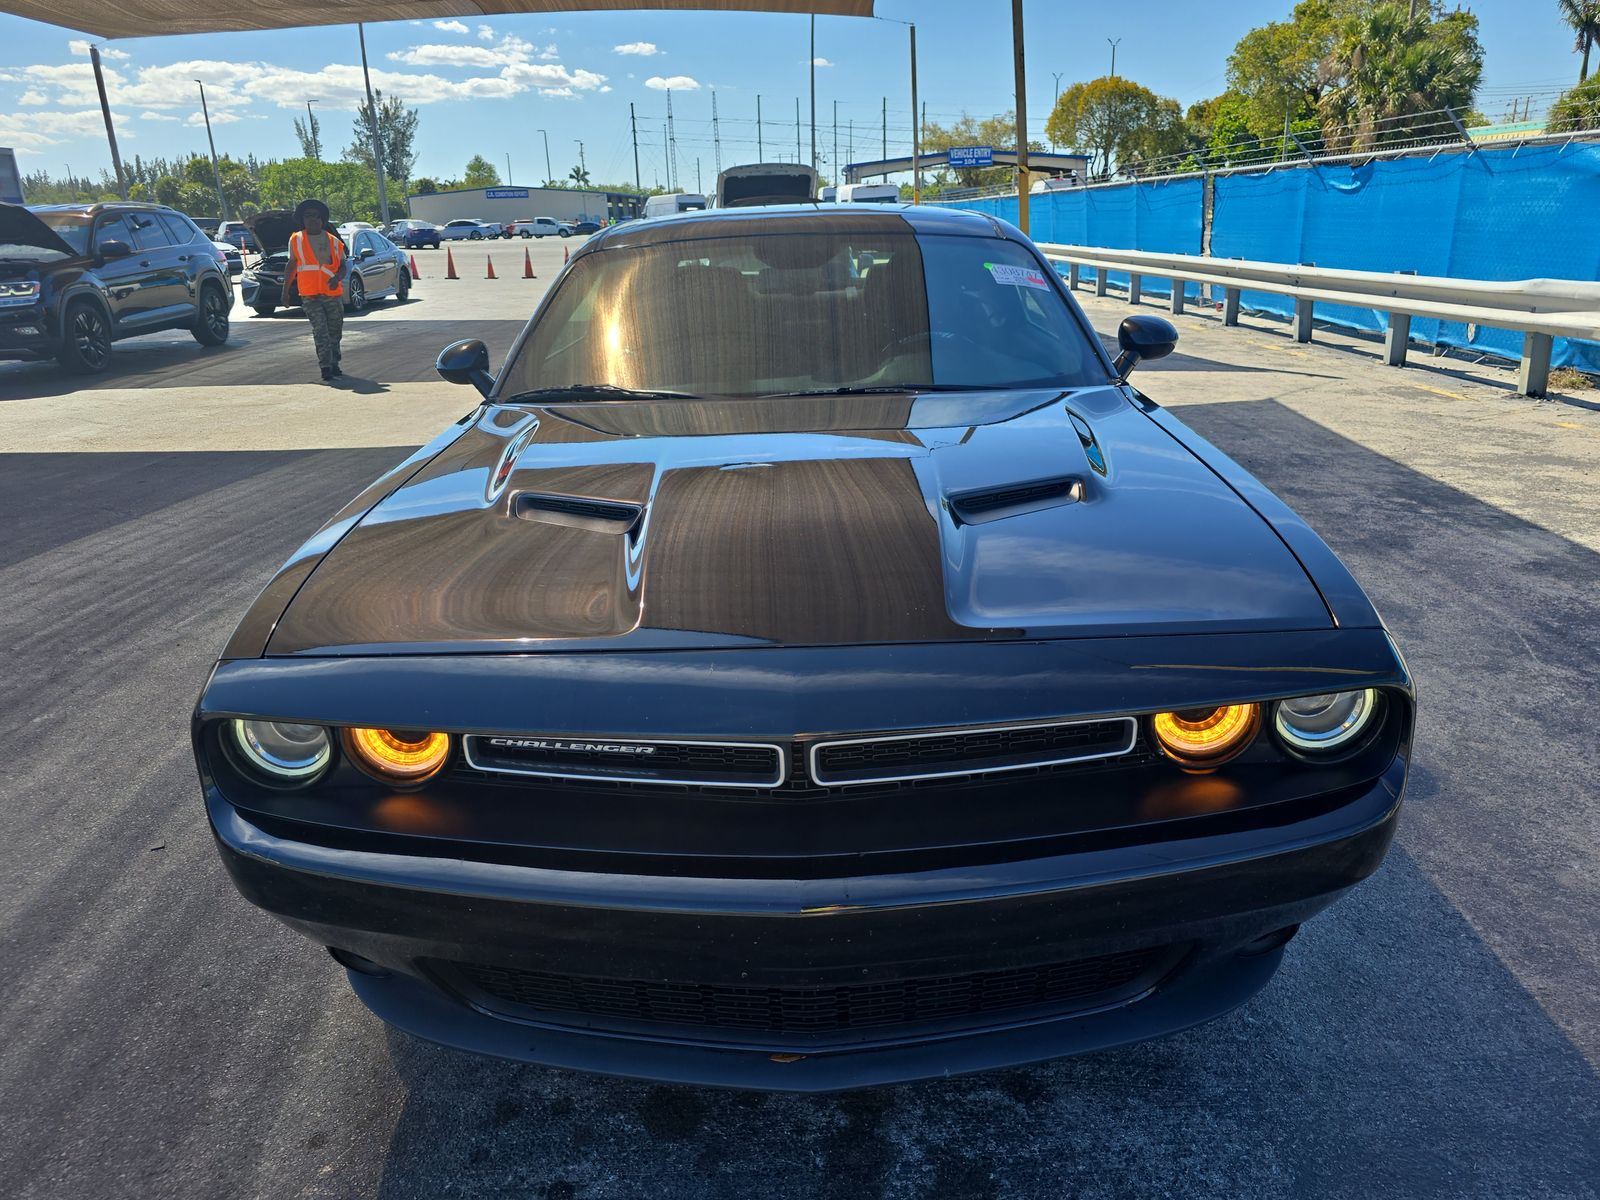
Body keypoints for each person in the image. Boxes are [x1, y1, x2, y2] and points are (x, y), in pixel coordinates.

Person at [284, 198, 347, 381]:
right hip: (310, 294)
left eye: (317, 217)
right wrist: (285, 291)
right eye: (308, 216)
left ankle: (334, 362)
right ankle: (325, 366)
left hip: (332, 294)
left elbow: (343, 265)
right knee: (321, 331)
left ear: (323, 220)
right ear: (302, 219)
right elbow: (292, 265)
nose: (313, 220)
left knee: (335, 331)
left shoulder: (334, 241)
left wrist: (337, 278)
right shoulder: (296, 239)